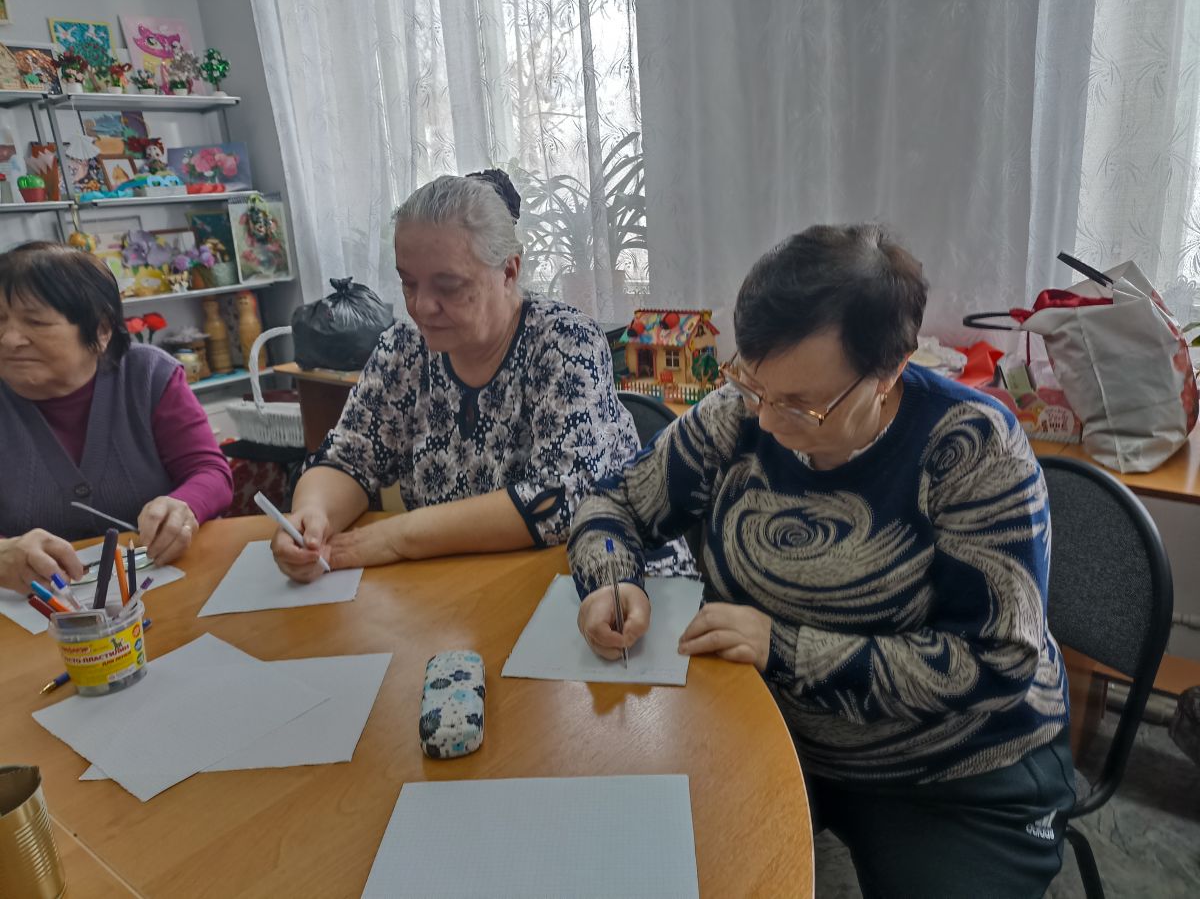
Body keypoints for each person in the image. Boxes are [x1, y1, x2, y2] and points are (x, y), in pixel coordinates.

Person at [569, 224, 1074, 897]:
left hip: (954, 773)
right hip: (774, 733)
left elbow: (997, 661)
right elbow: (613, 503)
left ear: (890, 371)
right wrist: (610, 581)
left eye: (804, 405)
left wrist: (784, 649)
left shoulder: (973, 448)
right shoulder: (742, 411)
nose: (768, 421)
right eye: (754, 383)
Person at [271, 170, 639, 582]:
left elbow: (557, 502)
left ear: (509, 272)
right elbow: (348, 458)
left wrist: (399, 537)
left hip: (600, 583)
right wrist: (312, 515)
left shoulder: (565, 342)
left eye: (448, 286)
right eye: (408, 283)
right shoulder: (404, 349)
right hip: (465, 585)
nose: (422, 307)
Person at [0, 242, 233, 592]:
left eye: (35, 322)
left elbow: (210, 471)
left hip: (164, 586)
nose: (9, 340)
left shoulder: (148, 375)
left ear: (101, 330)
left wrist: (184, 506)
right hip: (35, 607)